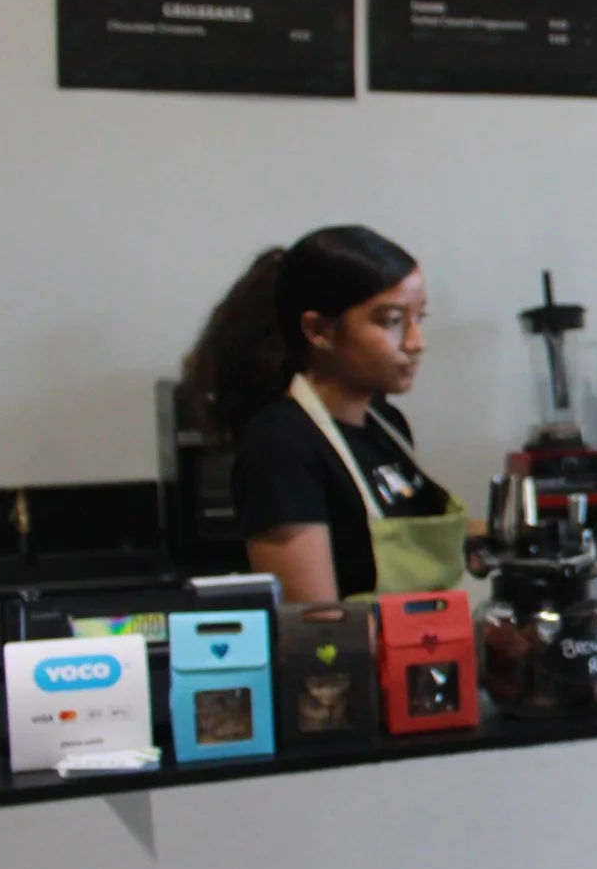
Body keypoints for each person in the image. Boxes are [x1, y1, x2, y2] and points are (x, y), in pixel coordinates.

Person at [184, 225, 466, 603]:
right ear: (319, 330)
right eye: (391, 321)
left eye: (419, 318)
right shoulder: (282, 446)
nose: (417, 343)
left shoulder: (387, 424)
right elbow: (315, 627)